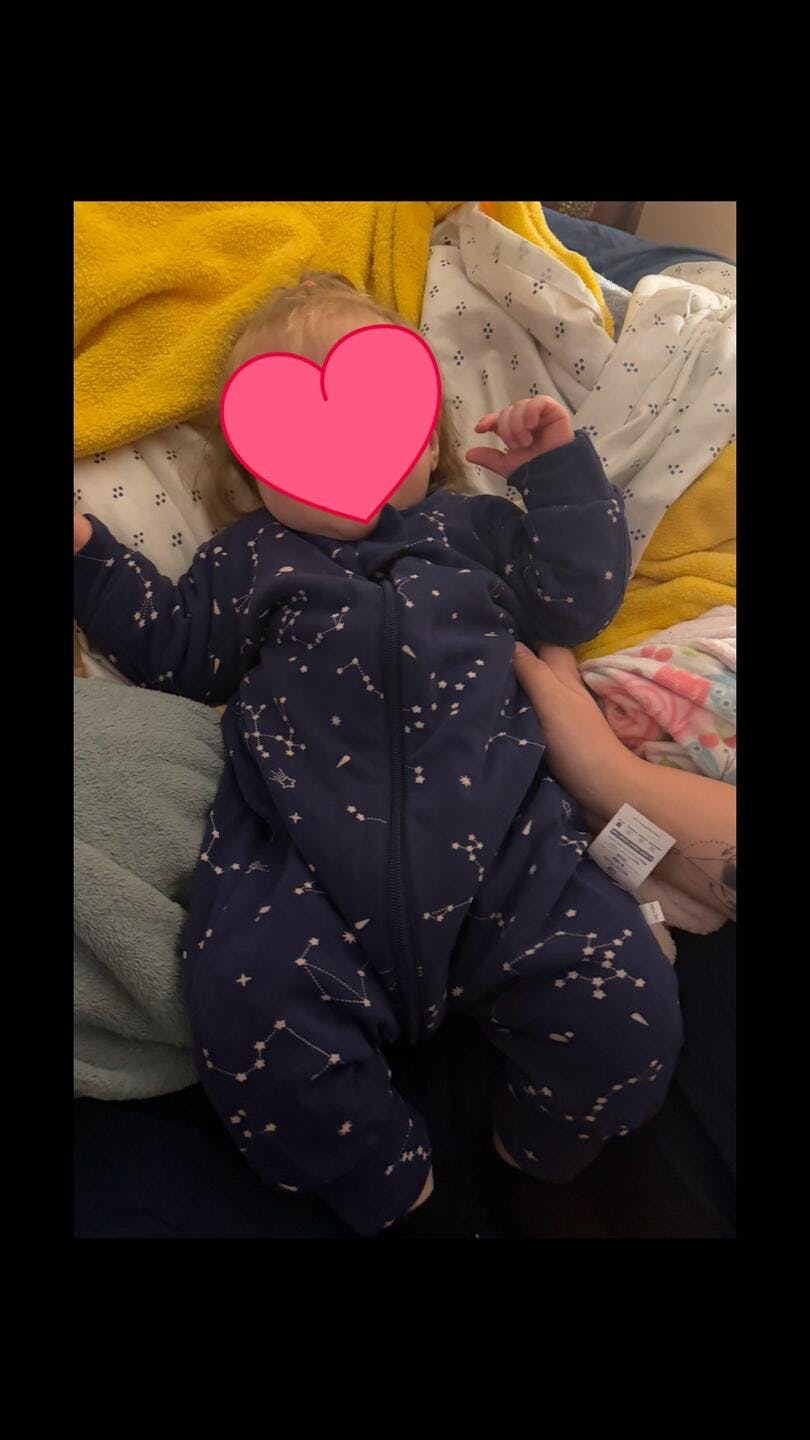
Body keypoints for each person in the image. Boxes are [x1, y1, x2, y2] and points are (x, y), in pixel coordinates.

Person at [73, 271, 683, 1237]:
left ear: (429, 442)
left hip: (509, 860)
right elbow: (171, 651)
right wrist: (88, 551)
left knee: (631, 1009)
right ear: (250, 476)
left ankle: (534, 1157)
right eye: (289, 430)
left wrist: (556, 474)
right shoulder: (250, 560)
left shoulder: (474, 531)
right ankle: (400, 1197)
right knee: (242, 1010)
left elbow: (577, 598)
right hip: (305, 868)